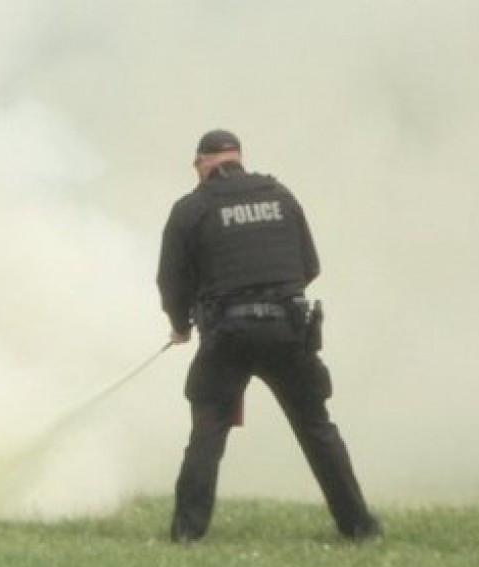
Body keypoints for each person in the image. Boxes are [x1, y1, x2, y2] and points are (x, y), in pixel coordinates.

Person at [157, 129, 381, 543]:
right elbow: (309, 266)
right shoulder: (281, 197)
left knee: (207, 431)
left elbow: (171, 280)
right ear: (237, 158)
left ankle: (187, 533)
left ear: (203, 162)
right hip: (287, 330)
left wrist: (181, 325)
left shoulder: (192, 208)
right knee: (316, 428)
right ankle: (358, 527)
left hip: (227, 335)